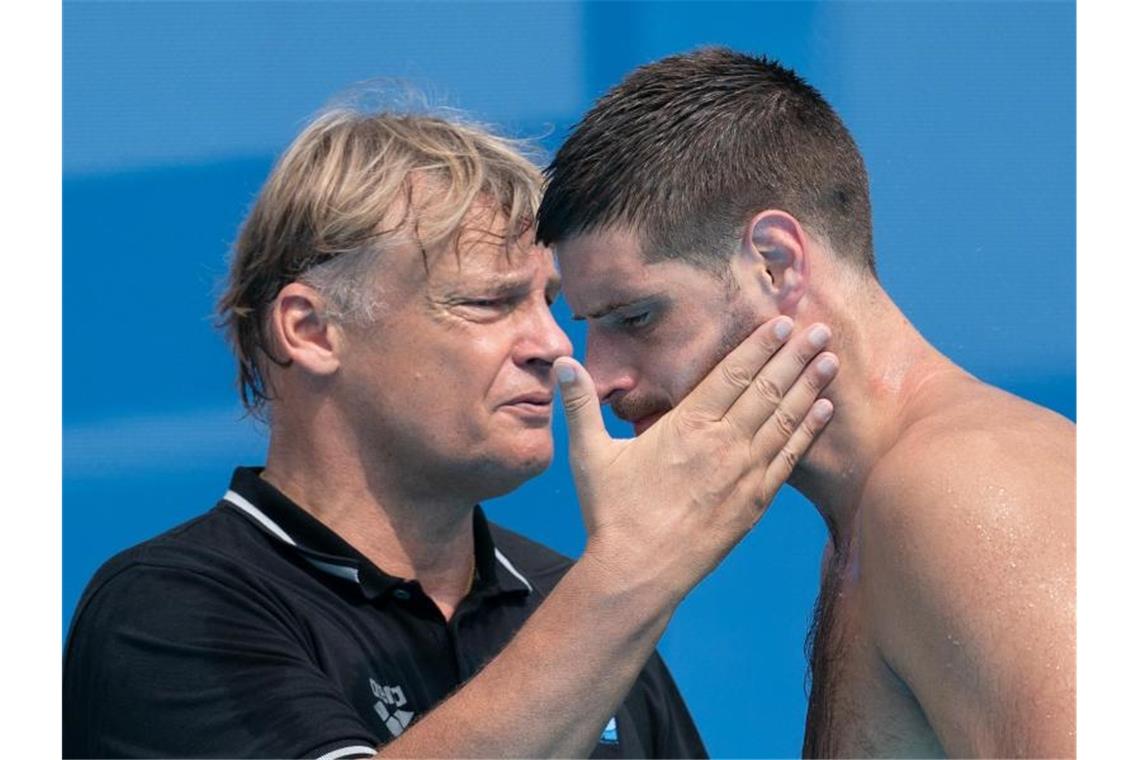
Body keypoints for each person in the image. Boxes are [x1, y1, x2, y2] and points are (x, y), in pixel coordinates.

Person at [63, 106, 839, 758]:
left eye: (549, 303)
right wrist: (637, 568)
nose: (554, 345)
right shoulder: (165, 611)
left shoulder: (572, 598)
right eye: (487, 304)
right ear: (310, 329)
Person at [537, 47, 1075, 758]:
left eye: (635, 318)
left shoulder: (972, 492)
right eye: (588, 327)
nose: (597, 377)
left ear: (774, 263)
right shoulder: (875, 518)